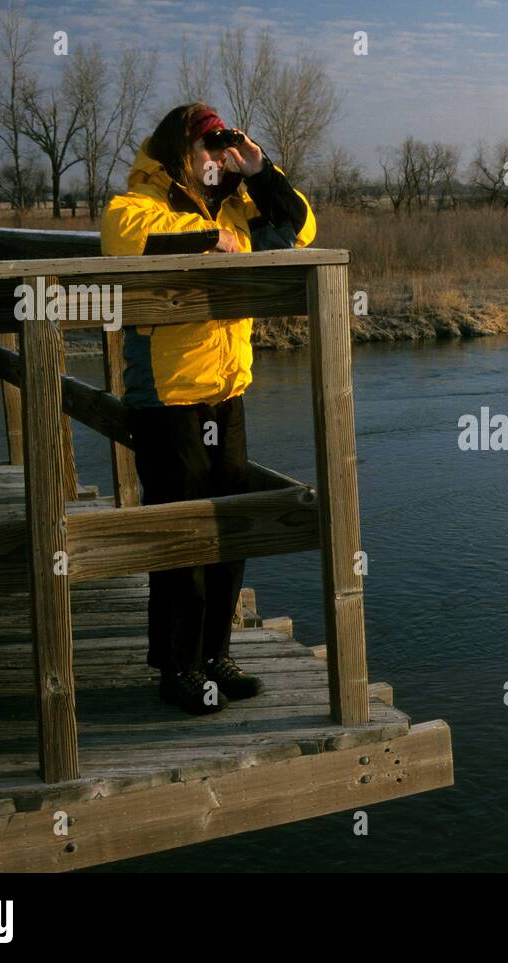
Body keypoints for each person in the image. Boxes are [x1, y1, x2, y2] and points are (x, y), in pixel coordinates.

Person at [100, 103, 317, 714]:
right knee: (181, 528)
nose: (216, 158)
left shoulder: (237, 201)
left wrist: (260, 168)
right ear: (177, 152)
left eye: (223, 147)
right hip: (168, 393)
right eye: (206, 147)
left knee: (229, 523)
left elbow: (302, 229)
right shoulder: (142, 201)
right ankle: (178, 666)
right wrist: (205, 238)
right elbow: (124, 240)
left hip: (227, 386)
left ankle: (215, 654)